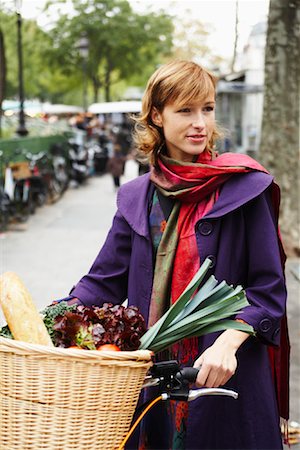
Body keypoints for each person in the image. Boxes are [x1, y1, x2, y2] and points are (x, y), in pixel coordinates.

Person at [58, 60, 290, 449]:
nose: (200, 122)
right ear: (157, 116)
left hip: (223, 383)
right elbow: (102, 283)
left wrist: (228, 342)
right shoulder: (137, 197)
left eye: (208, 109)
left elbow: (268, 290)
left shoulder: (244, 188)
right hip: (153, 383)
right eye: (185, 110)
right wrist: (49, 322)